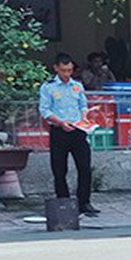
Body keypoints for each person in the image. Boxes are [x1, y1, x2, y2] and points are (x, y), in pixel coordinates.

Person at [38, 53, 98, 217]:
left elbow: (82, 104)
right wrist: (60, 122)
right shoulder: (48, 87)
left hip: (78, 131)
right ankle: (63, 202)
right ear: (56, 68)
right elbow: (44, 110)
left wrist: (85, 116)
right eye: (64, 70)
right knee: (59, 169)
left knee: (85, 168)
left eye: (70, 70)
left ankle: (84, 202)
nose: (67, 74)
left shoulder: (76, 86)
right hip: (59, 131)